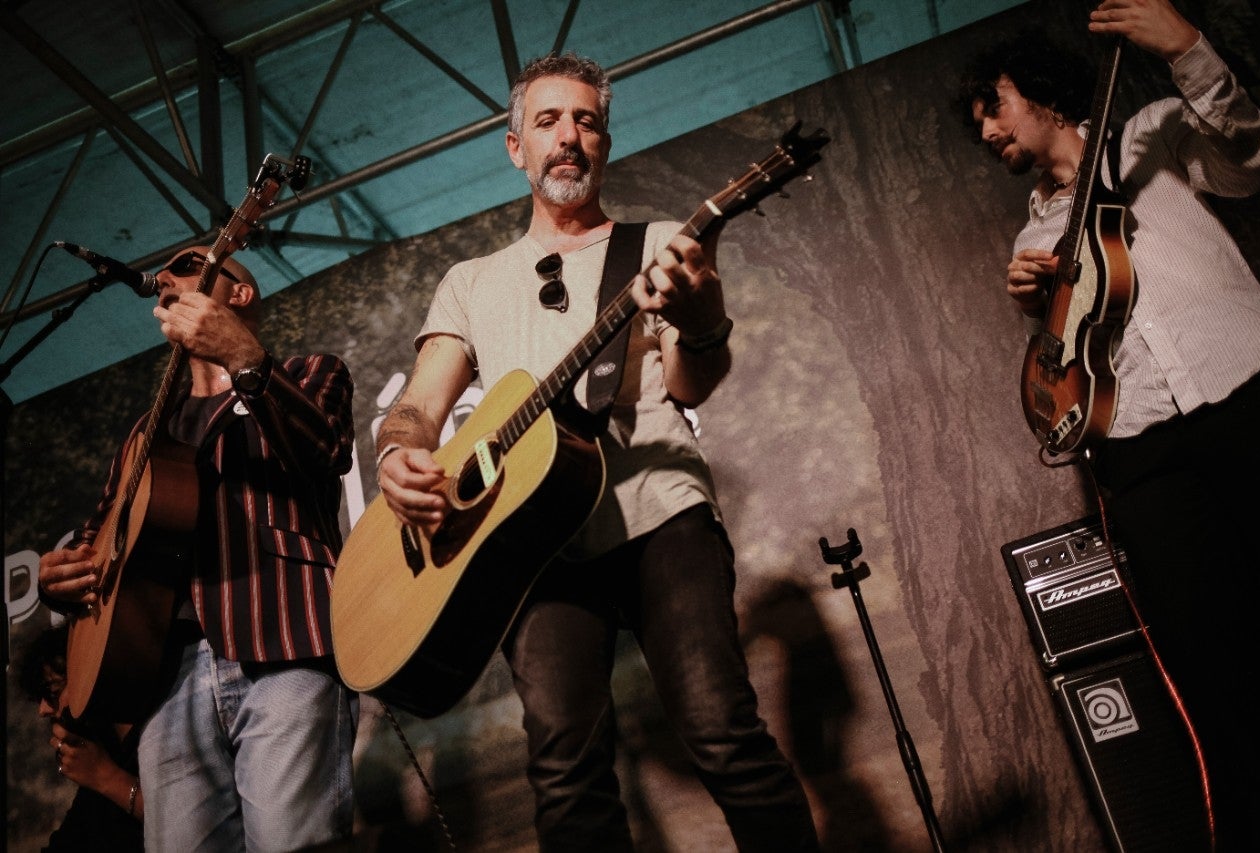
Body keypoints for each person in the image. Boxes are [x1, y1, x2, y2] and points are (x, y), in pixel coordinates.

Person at [375, 52, 819, 852]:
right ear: (517, 148)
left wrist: (705, 313)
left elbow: (690, 383)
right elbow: (415, 407)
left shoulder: (659, 245)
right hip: (533, 547)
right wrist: (397, 457)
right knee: (564, 774)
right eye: (547, 121)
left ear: (605, 144)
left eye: (585, 120)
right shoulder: (470, 282)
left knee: (721, 730)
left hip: (659, 512)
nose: (568, 136)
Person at [958, 1, 1260, 849]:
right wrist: (1042, 321)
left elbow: (1247, 163)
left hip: (1248, 387)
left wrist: (1189, 50)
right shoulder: (1035, 236)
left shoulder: (1150, 133)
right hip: (1143, 447)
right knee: (1217, 664)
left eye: (992, 105)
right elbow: (1069, 376)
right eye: (976, 123)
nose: (985, 130)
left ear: (1042, 93)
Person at [37, 246, 358, 852]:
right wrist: (61, 578)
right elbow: (97, 537)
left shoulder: (312, 372)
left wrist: (242, 355)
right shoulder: (146, 433)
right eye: (162, 277)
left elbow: (325, 448)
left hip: (282, 641)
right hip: (165, 676)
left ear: (239, 294)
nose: (164, 278)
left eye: (188, 264)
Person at [17, 624, 145, 852]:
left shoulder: (151, 729)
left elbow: (185, 820)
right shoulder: (102, 744)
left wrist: (105, 776)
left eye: (53, 693)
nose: (43, 710)